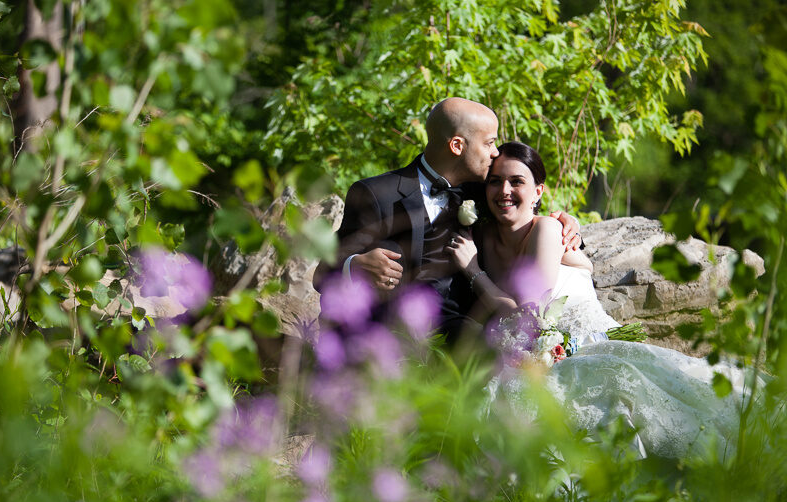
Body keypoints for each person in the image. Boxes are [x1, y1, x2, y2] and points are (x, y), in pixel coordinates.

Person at [448, 141, 754, 459]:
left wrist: (473, 272)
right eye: (495, 181)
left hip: (587, 347)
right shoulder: (483, 237)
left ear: (539, 191)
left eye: (517, 181)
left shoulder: (549, 230)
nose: (504, 190)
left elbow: (531, 311)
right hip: (534, 357)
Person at [313, 98, 581, 338]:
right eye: (489, 142)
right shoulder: (375, 193)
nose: (496, 152)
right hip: (390, 337)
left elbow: (527, 219)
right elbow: (321, 276)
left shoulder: (485, 192)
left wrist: (567, 225)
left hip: (465, 334)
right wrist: (354, 266)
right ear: (457, 145)